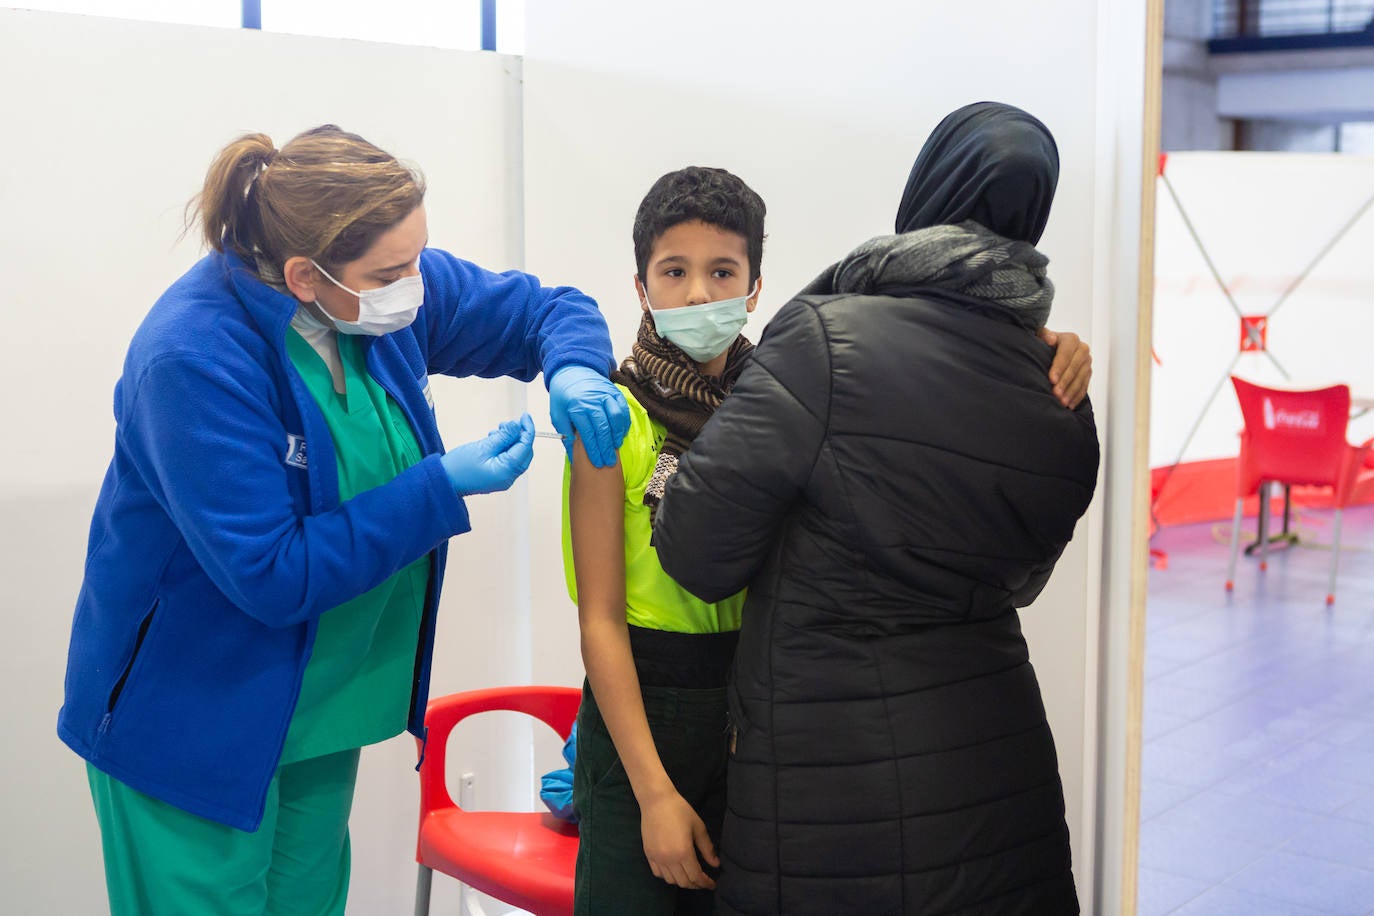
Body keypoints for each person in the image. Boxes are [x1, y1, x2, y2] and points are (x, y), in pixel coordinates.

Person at [56, 124, 629, 916]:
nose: (417, 284)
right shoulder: (192, 359)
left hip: (319, 708)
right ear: (303, 275)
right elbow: (271, 572)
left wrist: (573, 369)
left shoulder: (376, 299)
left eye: (419, 258)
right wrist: (440, 486)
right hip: (192, 718)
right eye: (394, 270)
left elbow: (546, 310)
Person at [565, 158, 1094, 915]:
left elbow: (927, 367)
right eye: (673, 272)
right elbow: (600, 621)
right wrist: (651, 792)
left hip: (751, 716)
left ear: (754, 288)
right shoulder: (611, 419)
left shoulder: (786, 394)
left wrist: (1032, 340)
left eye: (722, 272)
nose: (698, 294)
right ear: (641, 285)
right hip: (648, 712)